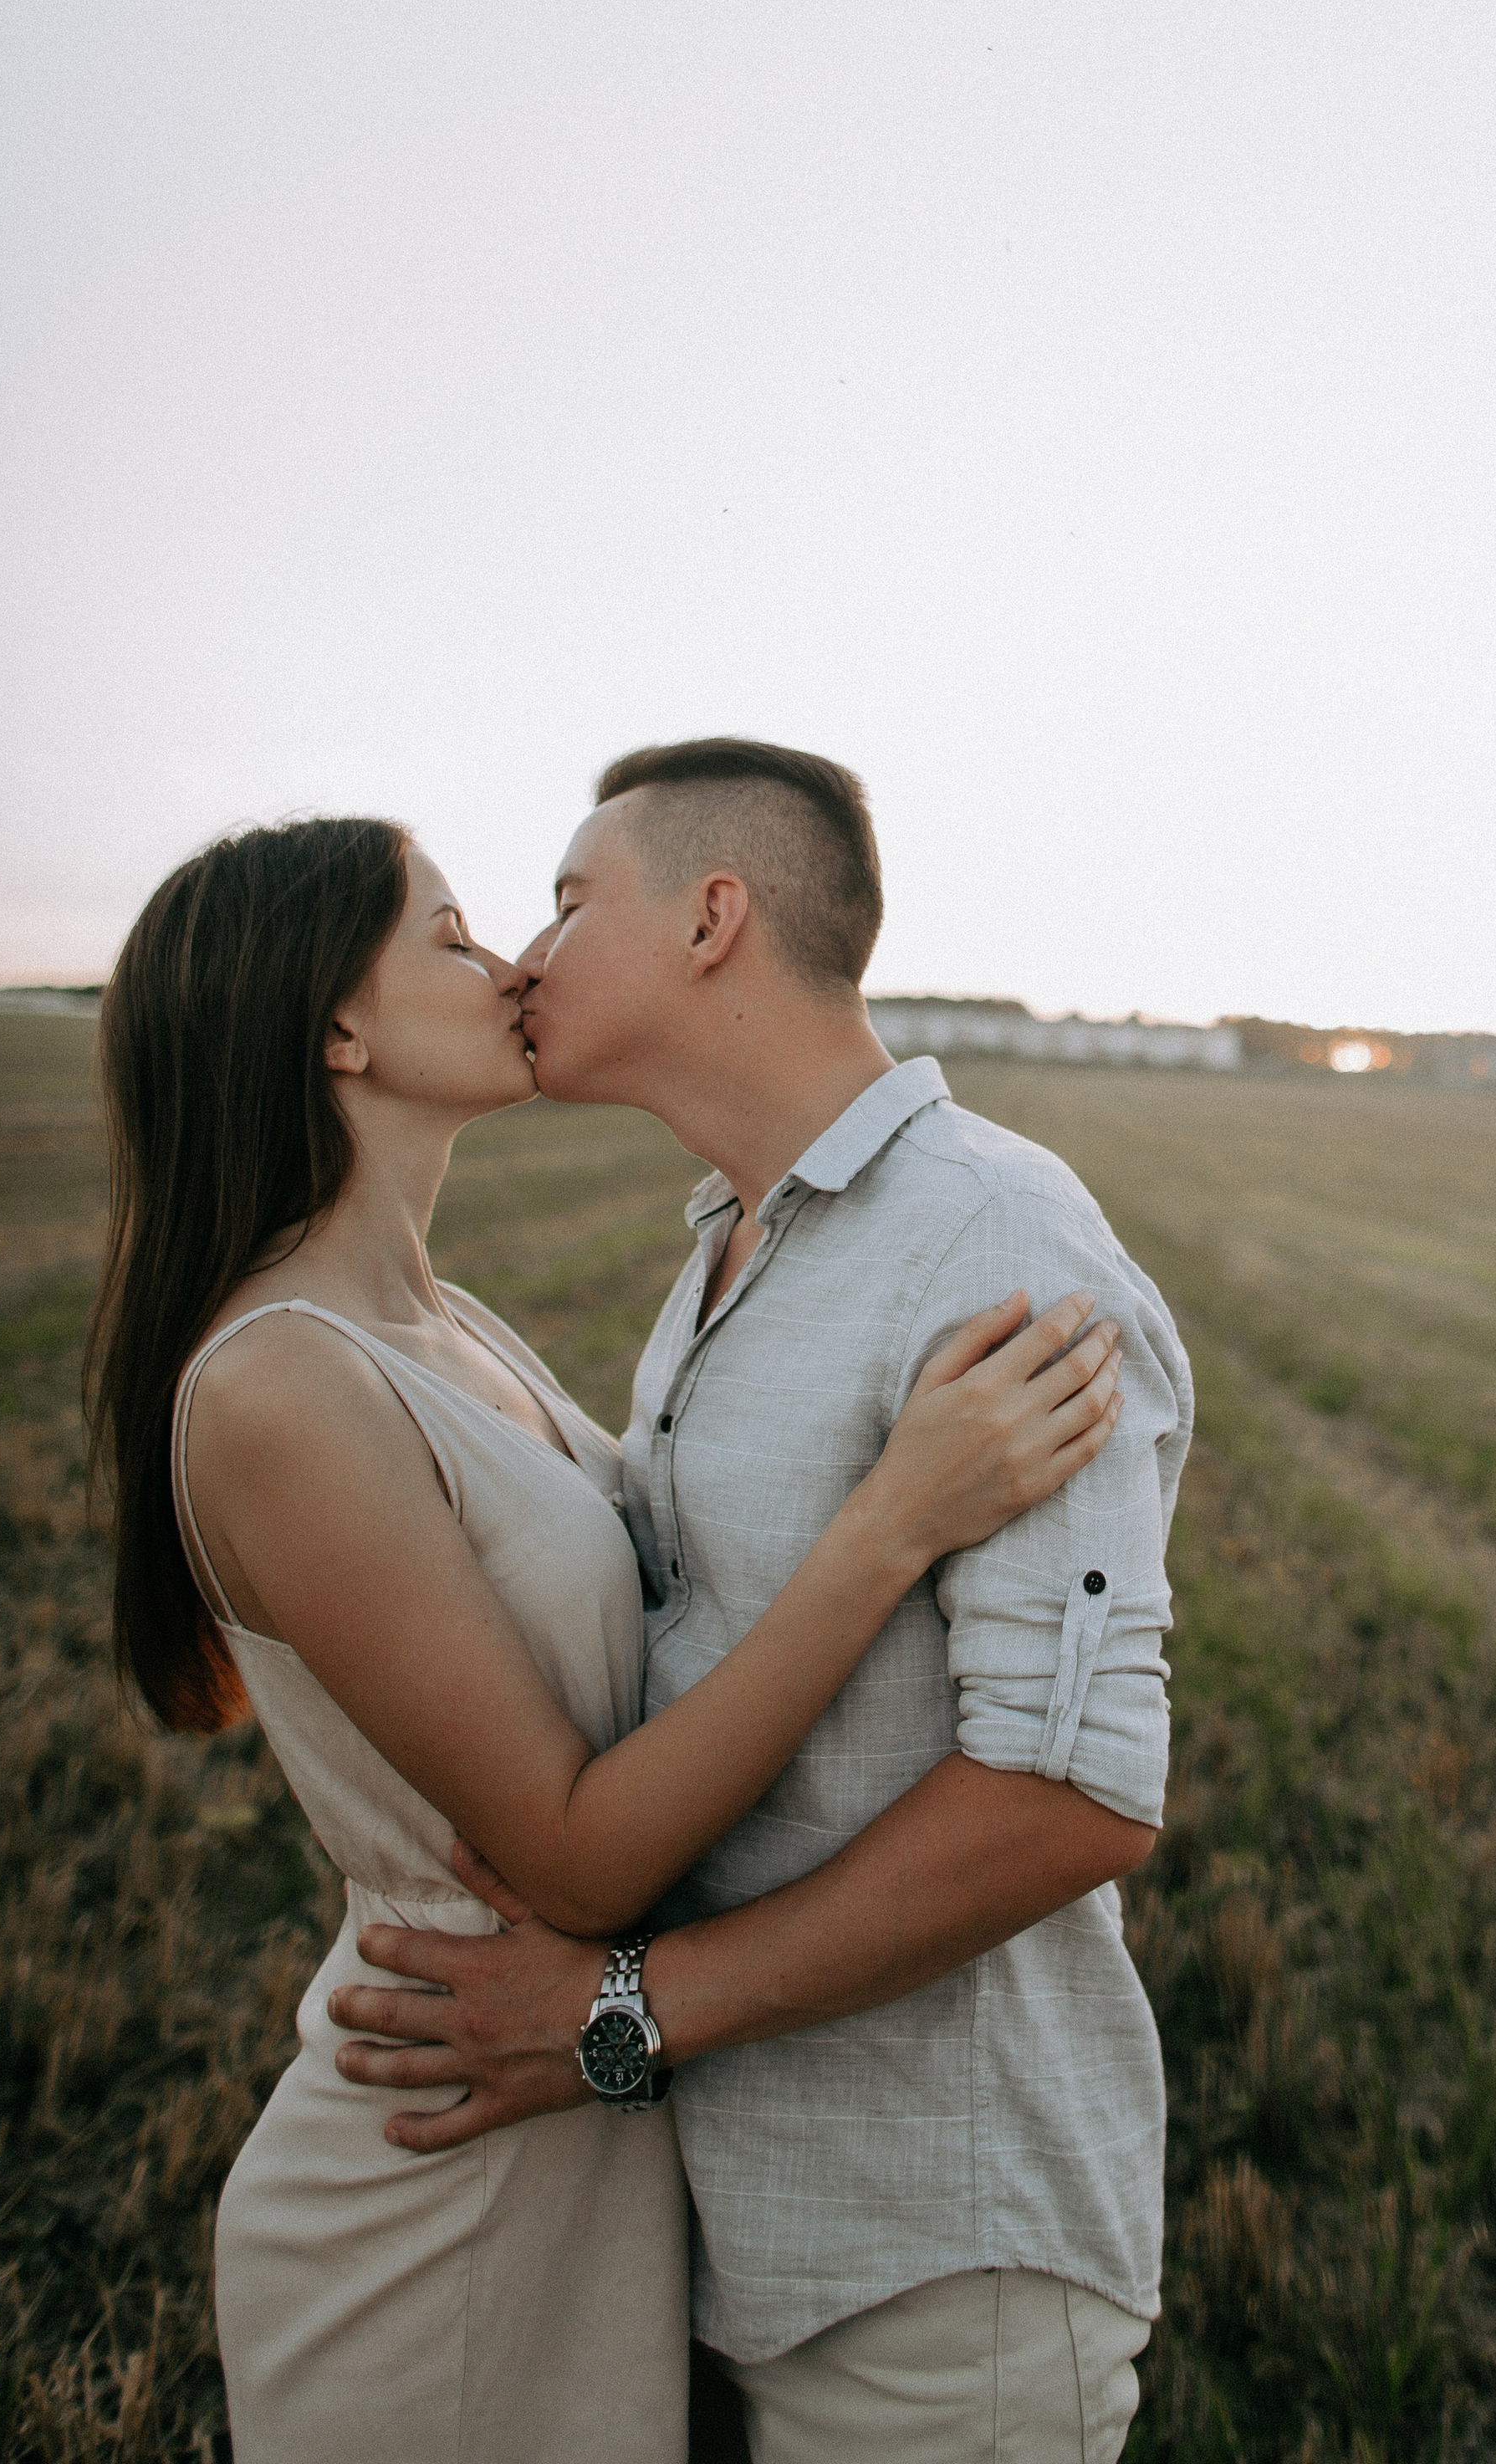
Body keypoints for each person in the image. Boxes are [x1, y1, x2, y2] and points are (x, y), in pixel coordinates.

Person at [86, 813, 1126, 2464]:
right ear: (336, 1030)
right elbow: (570, 1860)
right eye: (450, 935)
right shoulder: (281, 1380)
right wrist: (889, 1525)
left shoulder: (441, 1322)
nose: (508, 963)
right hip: (449, 2158)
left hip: (577, 2122)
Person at [329, 737, 1194, 2464]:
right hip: (726, 2220)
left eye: (570, 902)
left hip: (931, 2262)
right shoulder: (738, 1239)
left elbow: (1066, 1799)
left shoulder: (990, 1248)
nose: (525, 954)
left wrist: (617, 2016)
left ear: (713, 916)